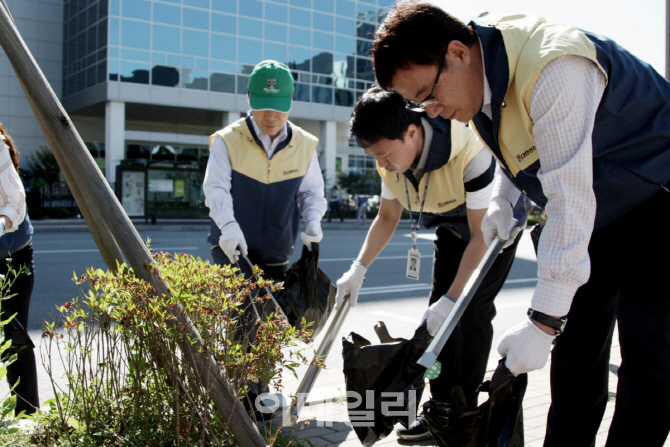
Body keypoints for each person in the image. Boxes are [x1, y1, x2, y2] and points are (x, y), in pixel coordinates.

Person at [371, 3, 670, 446]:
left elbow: (569, 200)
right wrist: (502, 201)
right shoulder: (475, 81)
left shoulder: (555, 68)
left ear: (458, 52)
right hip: (599, 208)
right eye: (419, 103)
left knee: (648, 351)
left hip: (657, 195)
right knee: (575, 353)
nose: (431, 111)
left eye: (429, 93)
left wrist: (543, 321)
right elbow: (521, 147)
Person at [335, 87, 522, 442]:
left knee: (468, 314)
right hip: (452, 228)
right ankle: (439, 410)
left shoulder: (469, 151)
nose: (383, 163)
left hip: (494, 229)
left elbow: (481, 237)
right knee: (435, 322)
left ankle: (461, 412)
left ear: (411, 132)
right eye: (376, 156)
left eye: (385, 154)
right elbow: (388, 216)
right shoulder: (389, 157)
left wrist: (452, 301)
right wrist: (358, 269)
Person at [203, 60, 327, 410]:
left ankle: (258, 392)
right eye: (262, 108)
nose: (270, 116)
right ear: (248, 99)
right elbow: (215, 189)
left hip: (276, 246)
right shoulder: (227, 140)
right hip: (230, 246)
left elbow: (312, 193)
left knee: (269, 321)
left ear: (291, 102)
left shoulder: (304, 144)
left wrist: (314, 219)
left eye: (278, 108)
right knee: (242, 318)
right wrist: (227, 226)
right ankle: (240, 396)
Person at [0, 123, 38, 415]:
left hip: (11, 254)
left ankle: (26, 414)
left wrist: (1, 223)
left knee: (13, 336)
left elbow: (16, 200)